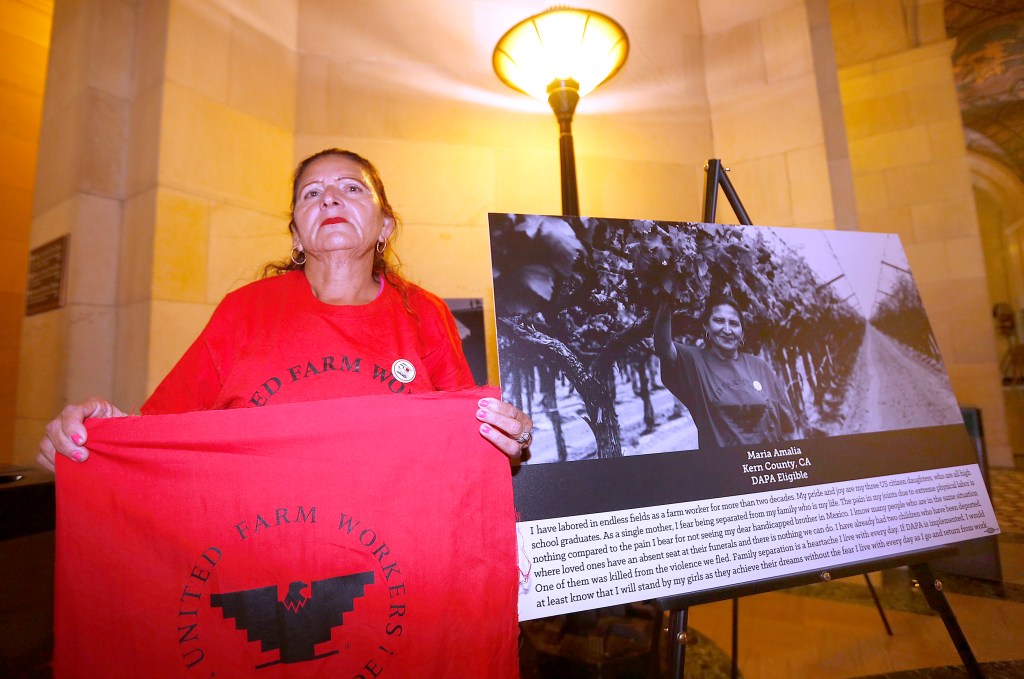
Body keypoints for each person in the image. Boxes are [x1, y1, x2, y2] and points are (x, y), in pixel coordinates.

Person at [38, 148, 533, 470]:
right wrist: (98, 431)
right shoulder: (243, 310)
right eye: (311, 194)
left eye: (352, 187)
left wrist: (511, 440)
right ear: (297, 234)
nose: (330, 198)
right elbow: (157, 434)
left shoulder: (423, 312)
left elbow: (469, 438)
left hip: (394, 555)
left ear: (384, 225)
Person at [653, 296, 800, 449]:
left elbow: (788, 426)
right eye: (719, 321)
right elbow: (663, 345)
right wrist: (667, 298)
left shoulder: (760, 366)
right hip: (724, 467)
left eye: (734, 324)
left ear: (742, 333)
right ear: (706, 326)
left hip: (766, 466)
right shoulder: (694, 362)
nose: (727, 330)